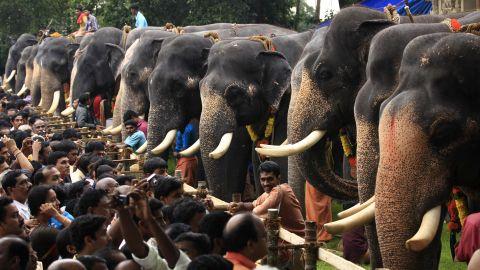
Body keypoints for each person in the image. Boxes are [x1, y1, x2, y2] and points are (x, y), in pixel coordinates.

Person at [229, 161, 305, 236]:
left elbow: (257, 212)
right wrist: (241, 205)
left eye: (270, 179)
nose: (266, 183)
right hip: (282, 241)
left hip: (297, 242)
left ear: (278, 178)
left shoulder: (279, 190)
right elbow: (253, 204)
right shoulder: (268, 194)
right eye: (263, 179)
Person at [174, 119, 198, 186]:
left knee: (184, 184)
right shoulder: (188, 127)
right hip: (188, 159)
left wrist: (177, 154)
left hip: (185, 159)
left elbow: (185, 147)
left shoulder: (185, 129)